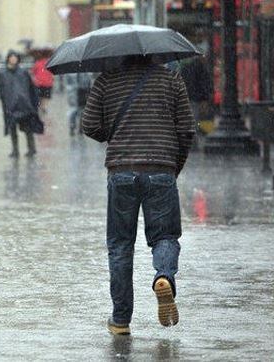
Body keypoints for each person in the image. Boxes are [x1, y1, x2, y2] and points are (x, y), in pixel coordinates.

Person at [82, 55, 195, 335]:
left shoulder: (106, 80)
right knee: (165, 236)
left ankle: (121, 320)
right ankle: (164, 276)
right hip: (161, 169)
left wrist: (117, 130)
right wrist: (172, 166)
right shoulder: (171, 80)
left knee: (120, 245)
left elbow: (89, 126)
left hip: (121, 170)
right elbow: (187, 129)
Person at [0, 50, 44, 158]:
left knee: (28, 129)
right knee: (12, 128)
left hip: (24, 105)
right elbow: (2, 90)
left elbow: (31, 88)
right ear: (8, 59)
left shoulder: (23, 72)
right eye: (11, 57)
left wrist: (32, 102)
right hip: (11, 106)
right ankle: (15, 150)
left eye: (15, 57)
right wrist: (5, 101)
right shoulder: (3, 74)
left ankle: (31, 149)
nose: (13, 59)